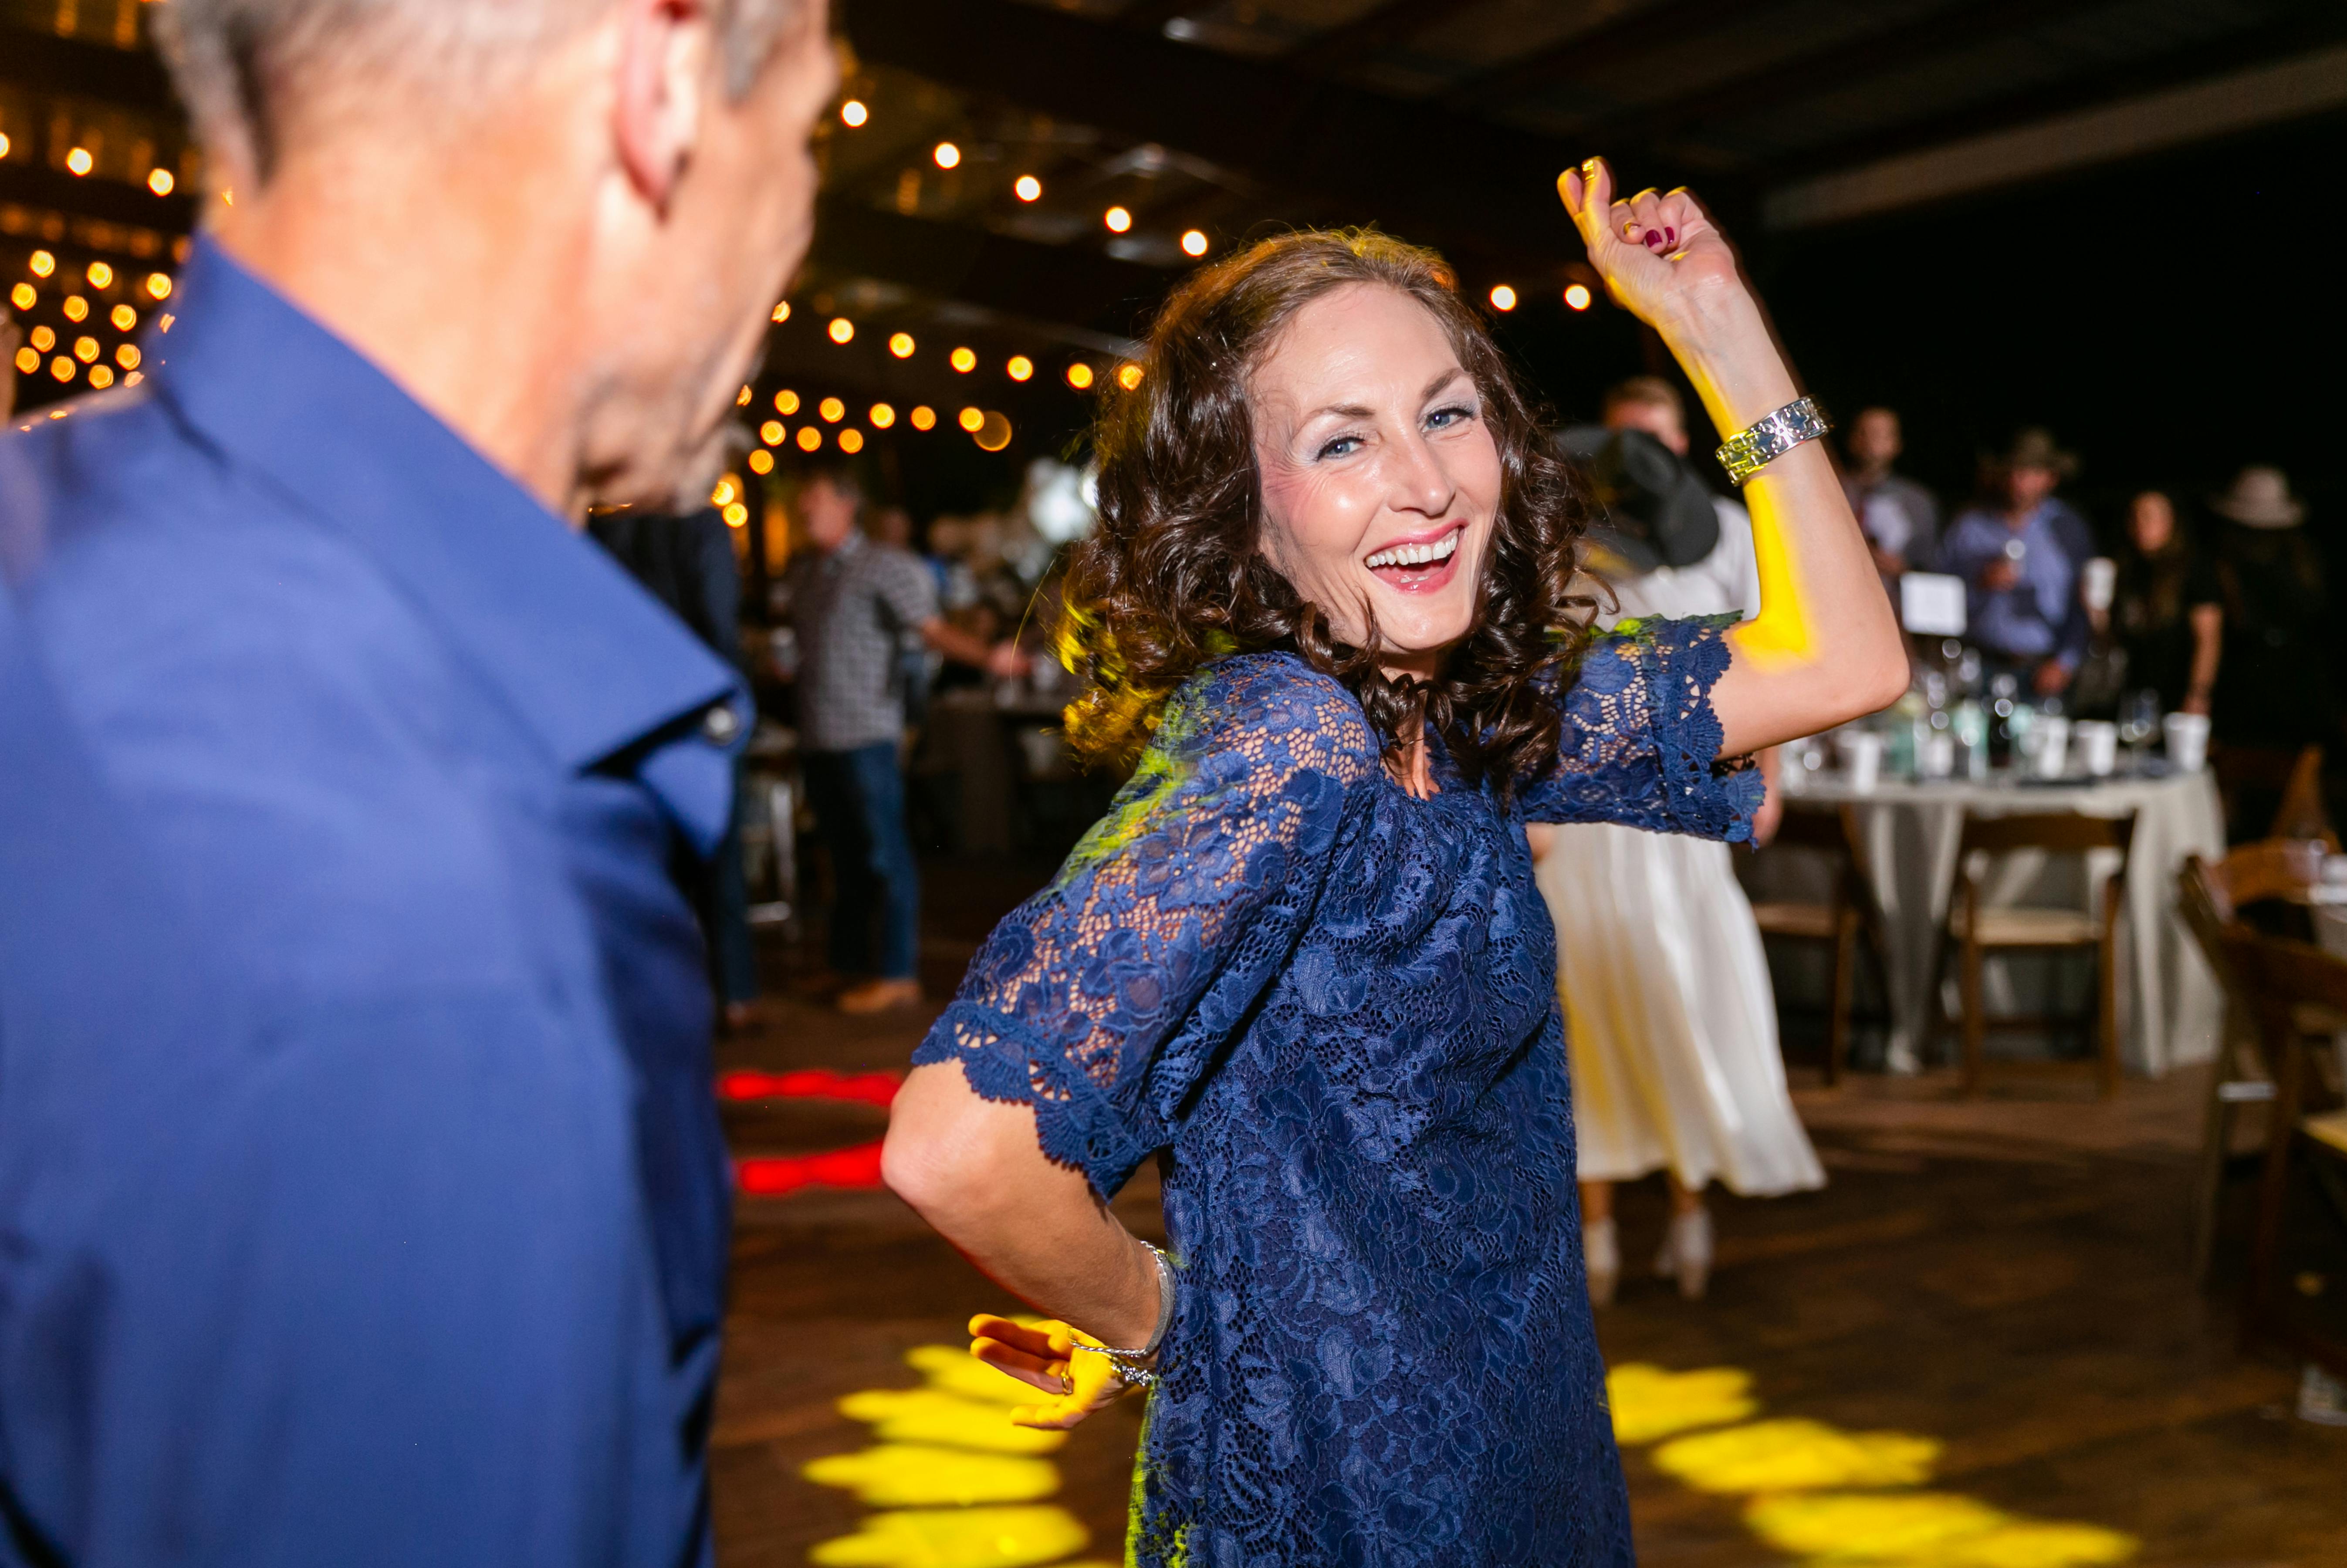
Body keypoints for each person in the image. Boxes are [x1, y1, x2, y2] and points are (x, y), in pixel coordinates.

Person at [882, 161, 1907, 1565]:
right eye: (1343, 444)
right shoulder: (1290, 743)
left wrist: (1714, 325)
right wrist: (1166, 1328)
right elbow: (958, 1146)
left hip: (1514, 1418)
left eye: (1446, 415)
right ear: (1245, 505)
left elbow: (1846, 660)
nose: (1426, 484)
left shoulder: (1454, 707)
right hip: (1340, 1498)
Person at [0, 1, 836, 1562]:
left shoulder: (48, 533)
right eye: (801, 131)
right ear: (658, 85)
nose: (795, 221)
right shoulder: (420, 948)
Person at [1539, 375, 1819, 1309]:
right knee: (1589, 1013)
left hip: (1682, 804)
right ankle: (1601, 1234)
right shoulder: (1564, 551)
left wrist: (1767, 783)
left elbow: (1776, 667)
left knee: (1686, 992)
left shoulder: (1731, 536)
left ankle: (1690, 1211)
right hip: (1584, 818)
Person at [785, 461, 1028, 1013]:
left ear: (848, 505)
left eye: (815, 496)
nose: (806, 508)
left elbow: (932, 630)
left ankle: (898, 974)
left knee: (885, 856)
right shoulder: (806, 573)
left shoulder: (882, 566)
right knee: (842, 859)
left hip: (867, 731)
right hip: (819, 734)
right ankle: (846, 966)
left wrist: (989, 657)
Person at [590, 490, 763, 1027]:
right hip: (698, 709)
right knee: (719, 857)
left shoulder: (607, 529)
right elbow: (719, 623)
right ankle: (734, 994)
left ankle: (665, 996)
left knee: (652, 859)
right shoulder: (704, 526)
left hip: (631, 712)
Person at [1938, 428, 2093, 699]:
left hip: (2042, 669)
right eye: (2013, 472)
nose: (2018, 483)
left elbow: (2084, 602)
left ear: (2050, 478)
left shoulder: (2067, 529)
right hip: (1978, 664)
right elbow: (1935, 599)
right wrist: (1979, 583)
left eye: (2031, 474)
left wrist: (2066, 661)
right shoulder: (1970, 526)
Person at [2207, 465, 2332, 750]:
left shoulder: (2302, 559)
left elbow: (2317, 616)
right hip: (2244, 676)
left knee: (2300, 765)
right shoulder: (2224, 562)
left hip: (2298, 676)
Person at [2108, 489, 2222, 718]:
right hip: (2133, 687)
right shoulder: (2128, 567)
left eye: (2149, 516)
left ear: (2171, 521)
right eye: (2135, 516)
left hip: (2176, 687)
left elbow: (2208, 638)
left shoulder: (2193, 568)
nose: (2140, 524)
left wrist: (2198, 694)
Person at [1841, 406, 1940, 587]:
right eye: (1863, 433)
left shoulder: (1917, 502)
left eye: (1879, 435)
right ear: (1851, 439)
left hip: (1892, 604)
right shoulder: (1834, 491)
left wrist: (1904, 572)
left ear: (1897, 444)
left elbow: (1934, 569)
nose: (1870, 443)